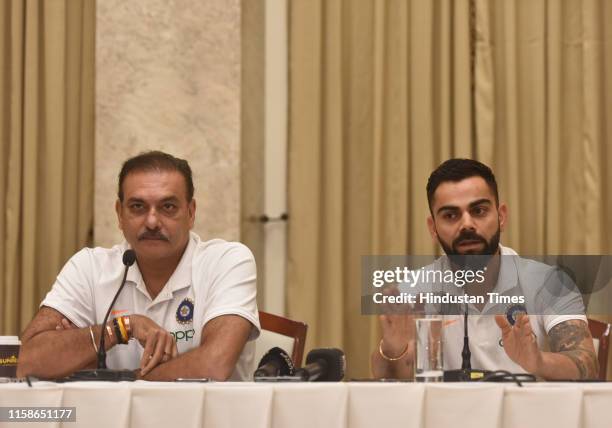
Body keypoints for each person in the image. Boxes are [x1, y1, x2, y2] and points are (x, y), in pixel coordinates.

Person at [17, 151, 259, 381]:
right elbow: (23, 362)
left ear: (191, 212)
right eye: (137, 207)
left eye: (168, 207)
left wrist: (119, 378)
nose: (152, 221)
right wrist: (121, 328)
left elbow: (213, 365)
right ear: (120, 214)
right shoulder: (88, 267)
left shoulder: (227, 261)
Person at [371, 158, 598, 380]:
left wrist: (537, 361)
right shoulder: (416, 289)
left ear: (501, 217)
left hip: (527, 415)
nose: (467, 224)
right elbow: (393, 380)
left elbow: (586, 363)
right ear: (433, 228)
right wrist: (394, 350)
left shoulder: (550, 282)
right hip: (447, 415)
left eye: (478, 211)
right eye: (451, 215)